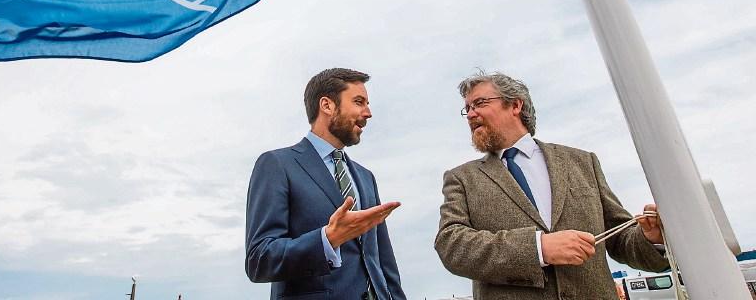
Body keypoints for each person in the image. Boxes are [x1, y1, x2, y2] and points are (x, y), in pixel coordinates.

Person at [435, 71, 669, 300]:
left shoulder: (583, 162)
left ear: (515, 105)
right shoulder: (462, 178)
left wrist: (650, 238)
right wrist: (538, 248)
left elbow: (620, 239)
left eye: (480, 103)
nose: (471, 114)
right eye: (468, 108)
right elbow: (451, 244)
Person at [245, 68, 406, 300]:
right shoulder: (277, 165)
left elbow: (384, 262)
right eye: (359, 102)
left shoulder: (365, 177)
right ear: (327, 105)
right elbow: (259, 259)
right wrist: (328, 239)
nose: (368, 113)